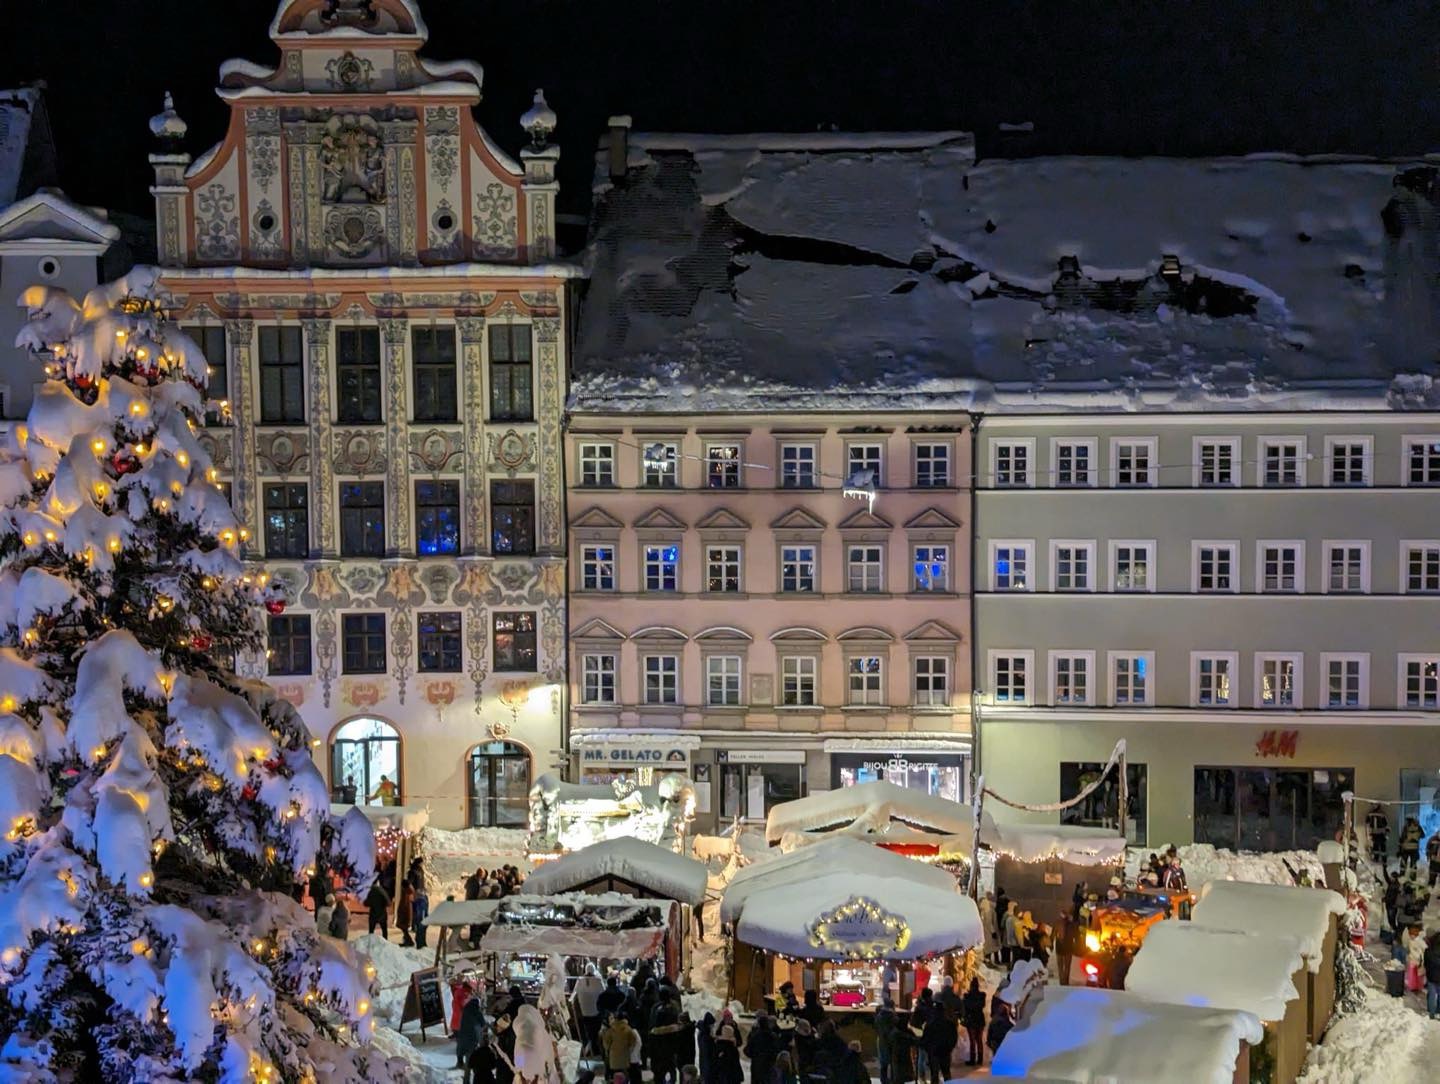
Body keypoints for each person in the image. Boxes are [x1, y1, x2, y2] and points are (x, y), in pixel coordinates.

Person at [920, 1005, 957, 1084]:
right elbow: (954, 1037)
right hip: (945, 1051)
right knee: (946, 1073)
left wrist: (928, 1049)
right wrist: (950, 1047)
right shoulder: (949, 1023)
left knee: (934, 1074)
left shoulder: (930, 1024)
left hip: (934, 1052)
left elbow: (926, 1038)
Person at [456, 994, 489, 1080]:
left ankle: (461, 1066)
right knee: (470, 1060)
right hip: (472, 1039)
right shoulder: (477, 1012)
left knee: (462, 1051)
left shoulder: (465, 1011)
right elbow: (483, 1023)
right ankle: (471, 1079)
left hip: (462, 1036)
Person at [574, 963, 605, 1054]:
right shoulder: (598, 980)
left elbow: (574, 994)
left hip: (584, 1013)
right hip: (595, 1012)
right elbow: (603, 992)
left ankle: (587, 1048)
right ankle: (595, 1050)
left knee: (587, 1032)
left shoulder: (580, 980)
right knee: (595, 1032)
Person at [743, 1012, 782, 1084]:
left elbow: (747, 1050)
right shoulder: (773, 1036)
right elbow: (777, 1049)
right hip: (769, 1065)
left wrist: (754, 1055)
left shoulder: (755, 1036)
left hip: (756, 1064)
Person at [603, 1013, 641, 1084]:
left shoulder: (611, 1029)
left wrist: (608, 1050)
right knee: (624, 1076)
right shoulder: (628, 1029)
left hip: (613, 1058)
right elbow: (633, 1041)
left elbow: (606, 1042)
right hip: (624, 1057)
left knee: (616, 1076)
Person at [960, 978, 986, 1068]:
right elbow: (982, 1005)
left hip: (971, 1020)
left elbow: (966, 1007)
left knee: (972, 1040)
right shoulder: (982, 995)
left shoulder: (967, 996)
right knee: (979, 1040)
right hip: (980, 1019)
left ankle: (972, 1059)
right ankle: (980, 1059)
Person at [710, 1016, 743, 1084]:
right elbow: (736, 1065)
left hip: (721, 1077)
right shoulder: (733, 1048)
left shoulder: (718, 1045)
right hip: (731, 1078)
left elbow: (715, 1061)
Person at [873, 993, 897, 1084]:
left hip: (881, 1039)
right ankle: (892, 1079)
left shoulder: (879, 1016)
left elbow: (876, 1026)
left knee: (883, 1062)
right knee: (892, 1061)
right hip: (891, 1041)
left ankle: (883, 1080)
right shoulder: (893, 1017)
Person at [408, 858, 430, 949]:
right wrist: (413, 893)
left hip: (420, 896)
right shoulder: (415, 871)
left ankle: (420, 939)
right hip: (420, 897)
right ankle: (420, 941)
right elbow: (410, 884)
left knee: (420, 919)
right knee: (421, 919)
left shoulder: (416, 871)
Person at [1055, 912, 1075, 986]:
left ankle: (1061, 982)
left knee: (1060, 966)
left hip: (1059, 946)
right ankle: (1065, 983)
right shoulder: (1070, 925)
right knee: (1067, 966)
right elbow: (1073, 935)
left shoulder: (1058, 923)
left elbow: (1054, 934)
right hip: (1068, 946)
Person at [1424, 930, 1440, 1020]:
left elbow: (1426, 964)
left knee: (1431, 995)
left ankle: (1431, 1013)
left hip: (1431, 977)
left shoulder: (1428, 951)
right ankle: (1439, 1012)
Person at [395, 880, 415, 947]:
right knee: (404, 929)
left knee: (404, 928)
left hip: (404, 914)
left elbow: (405, 905)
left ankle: (409, 941)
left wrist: (401, 912)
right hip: (405, 913)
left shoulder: (406, 893)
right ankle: (407, 941)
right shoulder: (409, 892)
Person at [1001, 901, 1020, 967]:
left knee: (1008, 951)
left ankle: (1008, 964)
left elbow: (1002, 924)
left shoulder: (1006, 914)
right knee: (1014, 953)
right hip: (1013, 937)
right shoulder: (1015, 917)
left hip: (1007, 935)